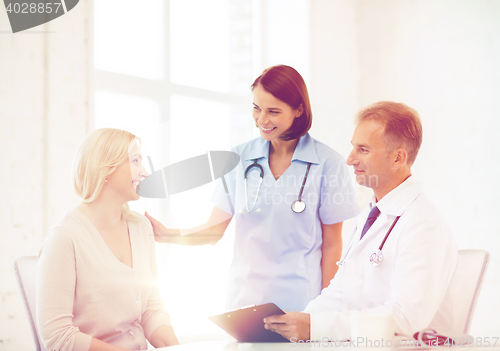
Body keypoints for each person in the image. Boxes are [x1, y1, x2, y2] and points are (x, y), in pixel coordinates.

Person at [146, 65, 359, 311]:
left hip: (301, 304)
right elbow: (213, 231)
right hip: (245, 303)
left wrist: (325, 310)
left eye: (274, 111)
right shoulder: (238, 158)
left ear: (299, 110)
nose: (262, 120)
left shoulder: (328, 164)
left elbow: (333, 245)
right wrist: (169, 235)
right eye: (256, 108)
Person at [263, 101, 458, 341]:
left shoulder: (423, 223)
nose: (350, 159)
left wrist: (318, 328)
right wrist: (297, 324)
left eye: (363, 150)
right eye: (353, 147)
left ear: (398, 158)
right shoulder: (370, 215)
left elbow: (404, 320)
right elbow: (340, 293)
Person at [37, 128, 179, 351]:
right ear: (106, 168)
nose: (144, 172)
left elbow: (151, 309)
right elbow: (58, 336)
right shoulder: (65, 236)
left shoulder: (141, 228)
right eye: (135, 161)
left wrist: (176, 349)